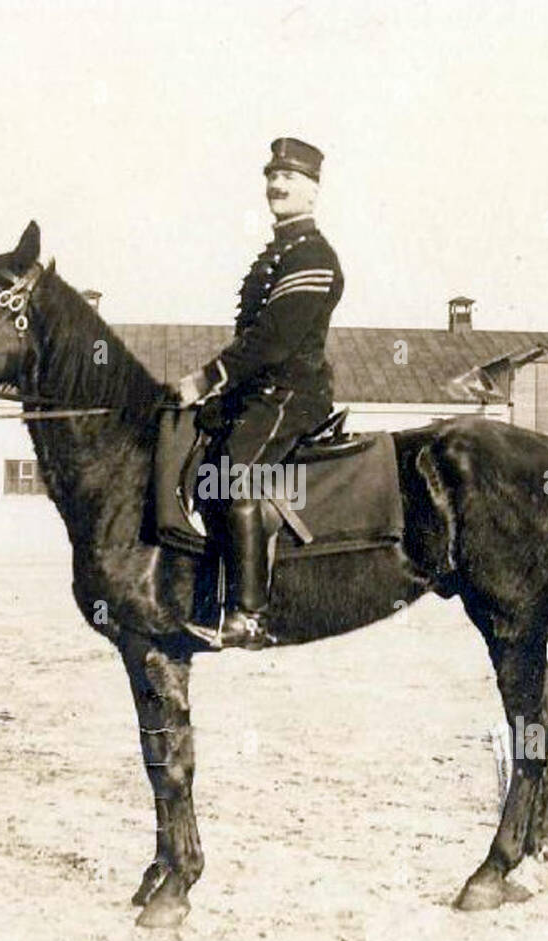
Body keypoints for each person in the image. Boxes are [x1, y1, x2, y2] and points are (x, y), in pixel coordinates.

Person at [176, 137, 344, 648]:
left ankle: (250, 616)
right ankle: (212, 594)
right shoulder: (280, 253)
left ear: (313, 191)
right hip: (260, 392)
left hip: (290, 393)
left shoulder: (312, 255)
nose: (277, 184)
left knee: (232, 475)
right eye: (272, 176)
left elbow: (273, 338)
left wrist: (207, 378)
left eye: (290, 178)